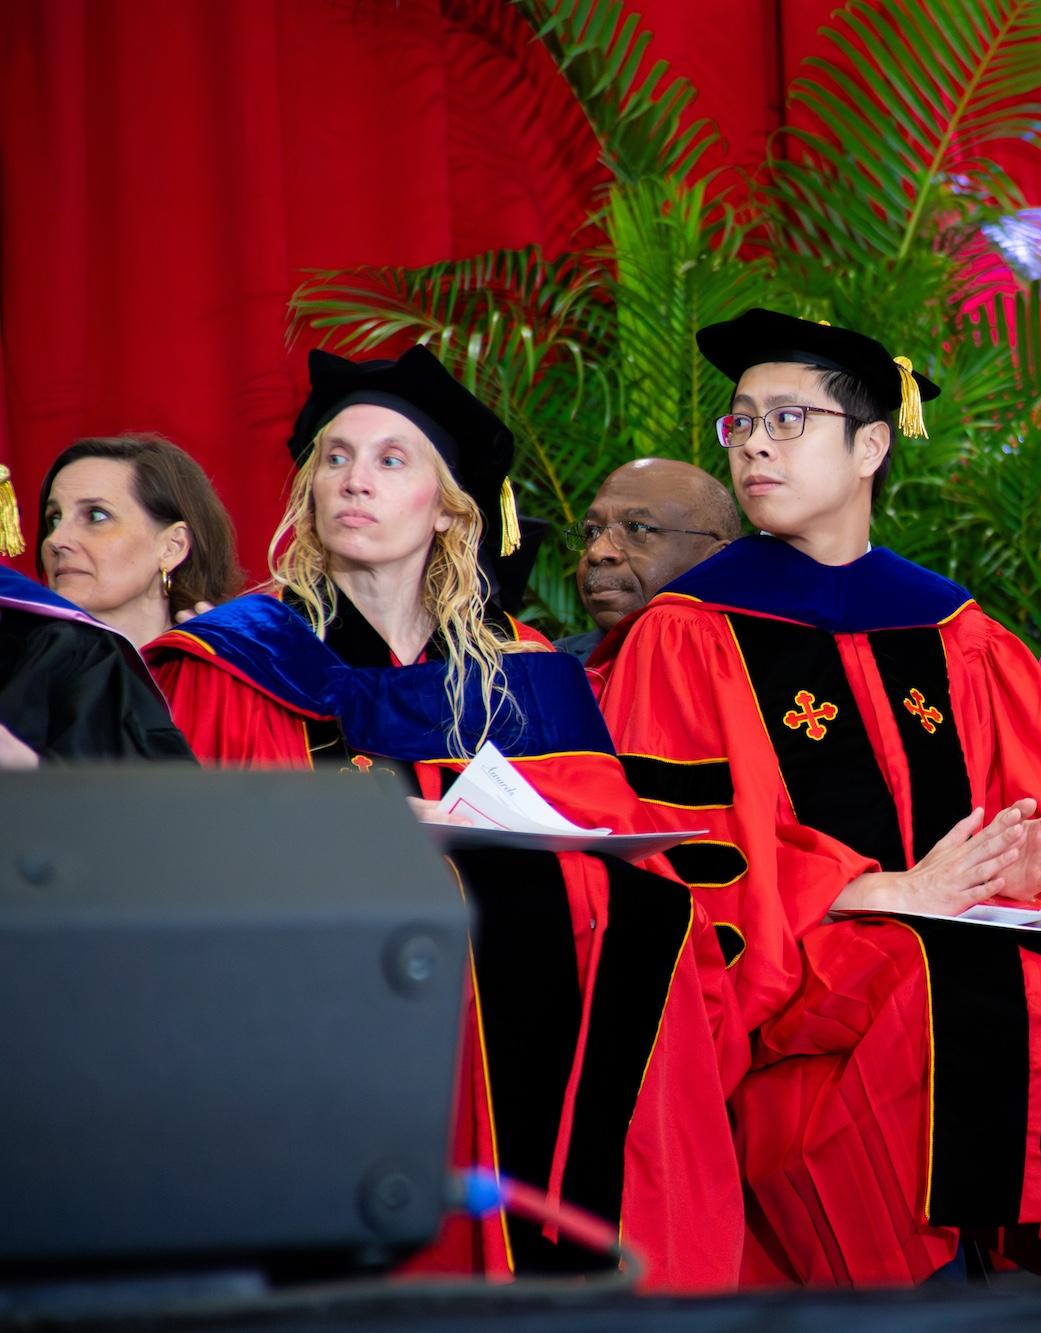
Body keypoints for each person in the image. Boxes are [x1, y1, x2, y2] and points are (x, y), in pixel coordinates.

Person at [594, 309, 1041, 1285]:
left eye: (788, 419)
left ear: (870, 446)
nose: (755, 441)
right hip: (805, 961)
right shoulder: (687, 633)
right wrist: (870, 888)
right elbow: (682, 850)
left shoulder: (955, 629)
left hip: (955, 931)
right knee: (936, 987)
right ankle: (932, 1286)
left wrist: (1025, 864)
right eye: (740, 420)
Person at [144, 346, 746, 1291]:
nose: (355, 481)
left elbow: (614, 839)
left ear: (448, 502)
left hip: (518, 1016)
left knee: (642, 918)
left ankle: (578, 1266)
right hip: (343, 1030)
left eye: (392, 460)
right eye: (335, 458)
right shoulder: (234, 660)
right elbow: (196, 866)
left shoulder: (528, 670)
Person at [37, 434, 241, 647]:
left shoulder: (226, 671)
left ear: (172, 547)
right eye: (54, 518)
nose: (56, 540)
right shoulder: (17, 670)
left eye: (96, 516)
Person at [0, 557, 191, 762]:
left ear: (173, 547)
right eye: (52, 525)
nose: (55, 541)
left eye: (97, 522)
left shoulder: (207, 664)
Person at [553, 458, 736, 663]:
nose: (597, 551)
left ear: (716, 561)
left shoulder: (756, 677)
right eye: (592, 531)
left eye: (637, 528)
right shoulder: (545, 671)